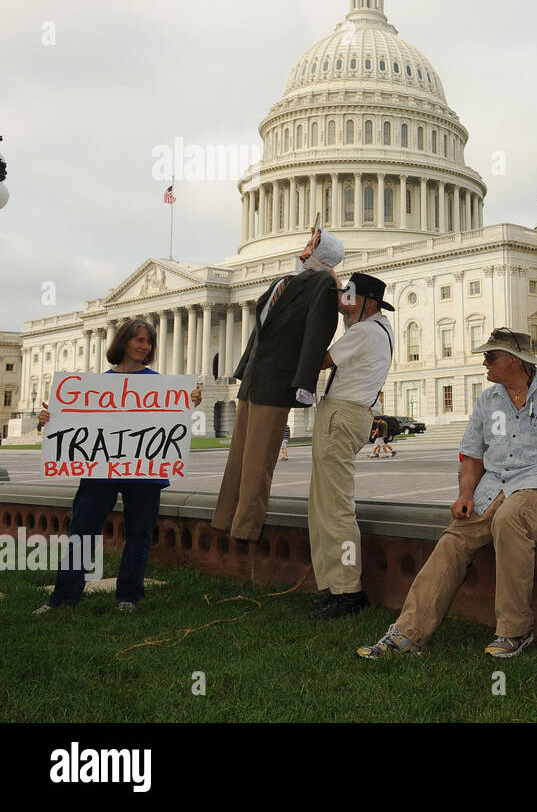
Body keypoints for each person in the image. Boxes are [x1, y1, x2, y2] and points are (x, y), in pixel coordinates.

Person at [357, 327, 537, 659]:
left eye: (491, 356)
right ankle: (406, 635)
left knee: (509, 522)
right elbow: (472, 454)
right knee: (453, 539)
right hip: (492, 486)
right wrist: (465, 495)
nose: (484, 362)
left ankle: (515, 630)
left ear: (515, 361)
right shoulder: (488, 400)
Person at [34, 319, 202, 614]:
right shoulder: (95, 387)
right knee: (83, 531)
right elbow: (76, 424)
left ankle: (129, 596)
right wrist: (49, 419)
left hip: (145, 471)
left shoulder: (161, 385)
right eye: (138, 340)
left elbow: (170, 422)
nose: (144, 347)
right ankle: (63, 597)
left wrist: (189, 403)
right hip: (101, 470)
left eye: (148, 342)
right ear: (123, 342)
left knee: (139, 533)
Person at [212, 229, 342, 542]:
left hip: (279, 382)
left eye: (312, 244)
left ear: (322, 254)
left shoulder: (323, 283)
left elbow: (317, 335)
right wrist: (243, 369)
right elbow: (260, 332)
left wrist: (303, 383)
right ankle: (224, 519)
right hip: (256, 379)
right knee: (239, 457)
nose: (306, 246)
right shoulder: (287, 280)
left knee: (259, 460)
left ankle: (245, 529)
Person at [308, 272, 394, 619]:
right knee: (325, 504)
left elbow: (322, 361)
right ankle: (334, 584)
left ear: (369, 303)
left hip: (341, 415)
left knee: (336, 508)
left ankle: (348, 590)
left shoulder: (365, 331)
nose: (344, 304)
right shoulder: (381, 329)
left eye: (350, 298)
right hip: (350, 414)